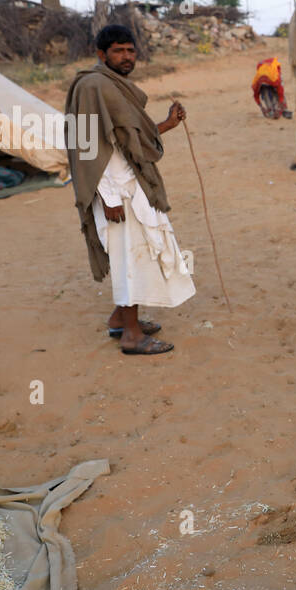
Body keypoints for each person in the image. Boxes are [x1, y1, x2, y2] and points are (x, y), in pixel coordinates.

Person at [66, 25, 195, 355]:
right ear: (101, 54)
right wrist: (107, 196)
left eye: (130, 50)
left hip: (132, 186)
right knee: (131, 259)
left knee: (138, 253)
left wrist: (167, 125)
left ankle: (119, 320)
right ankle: (132, 336)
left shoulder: (114, 86)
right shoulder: (92, 86)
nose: (126, 57)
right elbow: (89, 146)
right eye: (119, 51)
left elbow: (128, 137)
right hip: (115, 193)